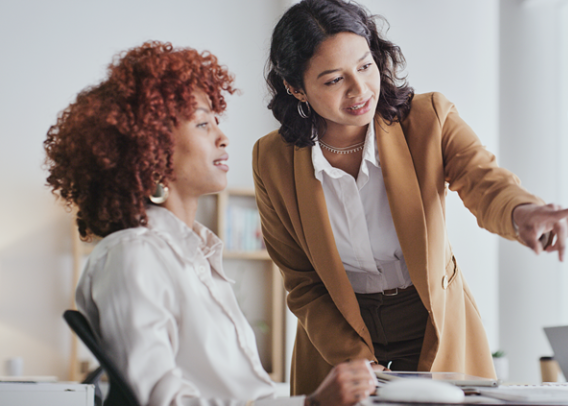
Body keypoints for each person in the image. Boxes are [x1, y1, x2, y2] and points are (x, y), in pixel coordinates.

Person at [253, 0, 568, 395]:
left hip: (431, 322)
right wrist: (351, 357)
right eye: (334, 79)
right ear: (296, 88)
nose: (360, 90)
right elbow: (302, 281)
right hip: (337, 331)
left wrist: (521, 211)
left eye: (365, 66)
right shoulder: (272, 159)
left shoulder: (429, 118)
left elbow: (483, 180)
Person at [44, 41, 375, 406]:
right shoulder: (133, 255)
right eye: (203, 123)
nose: (223, 137)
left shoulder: (193, 254)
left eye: (217, 122)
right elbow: (162, 401)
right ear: (150, 147)